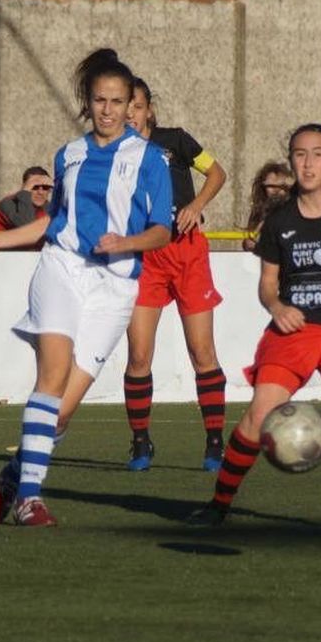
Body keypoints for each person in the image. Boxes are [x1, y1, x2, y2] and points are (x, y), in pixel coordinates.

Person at [0, 48, 173, 526]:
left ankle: (11, 479)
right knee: (51, 377)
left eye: (119, 101)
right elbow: (54, 223)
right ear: (89, 101)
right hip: (62, 268)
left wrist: (128, 241)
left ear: (132, 104)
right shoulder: (69, 154)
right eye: (100, 100)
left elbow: (162, 230)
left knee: (60, 414)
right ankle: (30, 501)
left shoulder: (151, 159)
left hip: (116, 288)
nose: (109, 110)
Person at [186, 123, 321, 527]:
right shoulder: (279, 222)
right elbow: (267, 285)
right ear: (292, 161)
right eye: (299, 154)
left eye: (317, 154)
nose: (308, 162)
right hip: (294, 333)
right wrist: (277, 307)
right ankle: (218, 504)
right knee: (259, 415)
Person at [119, 77, 231, 472]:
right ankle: (140, 442)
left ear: (149, 109)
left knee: (202, 353)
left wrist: (196, 204)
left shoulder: (176, 141)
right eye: (122, 105)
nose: (128, 113)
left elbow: (217, 172)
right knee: (138, 355)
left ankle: (215, 442)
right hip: (145, 257)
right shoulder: (111, 152)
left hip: (187, 254)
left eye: (135, 105)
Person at [242, 161, 294, 253]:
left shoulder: (297, 208)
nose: (276, 190)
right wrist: (249, 243)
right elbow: (250, 241)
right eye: (271, 186)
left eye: (281, 186)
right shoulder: (259, 212)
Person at [0, 165, 54, 237]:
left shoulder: (49, 207)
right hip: (6, 247)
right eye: (35, 187)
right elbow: (29, 230)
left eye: (45, 187)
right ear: (25, 187)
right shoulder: (8, 204)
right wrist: (24, 193)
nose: (40, 192)